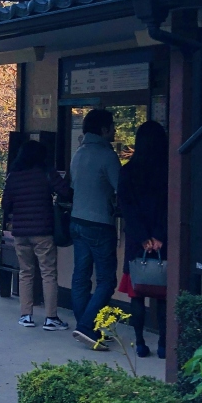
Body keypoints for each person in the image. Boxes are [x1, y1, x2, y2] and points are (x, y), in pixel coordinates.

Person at [2, 139, 72, 330]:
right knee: (48, 273)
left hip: (20, 232)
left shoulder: (13, 175)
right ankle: (51, 318)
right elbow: (65, 191)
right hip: (43, 231)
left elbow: (5, 204)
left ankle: (26, 315)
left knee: (26, 272)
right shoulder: (46, 172)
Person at [68, 108, 122, 346]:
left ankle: (85, 325)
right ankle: (86, 326)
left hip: (77, 220)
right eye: (112, 126)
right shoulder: (107, 156)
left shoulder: (78, 153)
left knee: (81, 276)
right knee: (106, 281)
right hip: (100, 223)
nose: (115, 130)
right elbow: (121, 188)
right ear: (104, 129)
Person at [118, 120, 169, 358]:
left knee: (136, 294)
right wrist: (159, 235)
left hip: (135, 240)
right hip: (163, 240)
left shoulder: (128, 171)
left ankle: (139, 343)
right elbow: (169, 206)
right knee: (164, 293)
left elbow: (126, 207)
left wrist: (142, 237)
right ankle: (163, 344)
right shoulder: (168, 171)